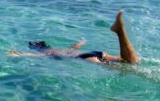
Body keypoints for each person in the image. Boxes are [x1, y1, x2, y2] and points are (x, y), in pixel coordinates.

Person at [8, 11, 140, 64]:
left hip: (86, 57)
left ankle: (120, 31)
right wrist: (81, 42)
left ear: (40, 49)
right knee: (129, 62)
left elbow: (37, 56)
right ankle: (120, 32)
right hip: (93, 52)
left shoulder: (49, 52)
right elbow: (74, 47)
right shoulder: (60, 49)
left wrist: (19, 54)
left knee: (126, 67)